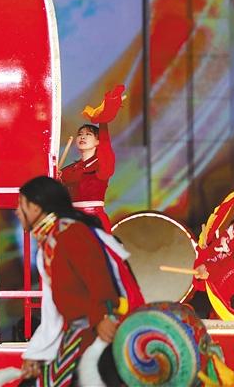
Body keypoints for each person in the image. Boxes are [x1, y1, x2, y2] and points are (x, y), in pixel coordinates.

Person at [17, 176, 142, 386]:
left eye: (21, 205)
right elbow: (53, 308)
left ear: (36, 208)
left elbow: (99, 277)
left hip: (103, 329)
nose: (17, 212)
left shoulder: (71, 233)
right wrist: (37, 352)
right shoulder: (49, 243)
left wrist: (104, 316)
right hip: (80, 332)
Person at [59, 85, 125, 233]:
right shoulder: (69, 170)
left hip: (94, 221)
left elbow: (106, 144)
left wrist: (103, 120)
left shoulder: (102, 165)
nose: (82, 137)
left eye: (88, 134)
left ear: (97, 141)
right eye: (80, 134)